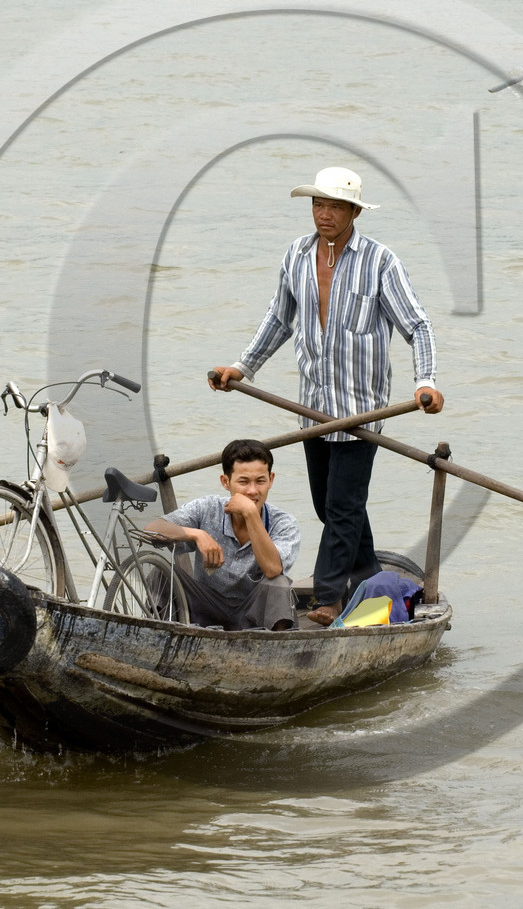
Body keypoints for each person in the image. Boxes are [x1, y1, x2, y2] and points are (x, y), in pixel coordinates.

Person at [208, 167, 443, 627]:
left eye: (335, 206)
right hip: (313, 409)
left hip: (360, 411)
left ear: (355, 211)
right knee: (331, 505)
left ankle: (329, 599)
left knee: (341, 507)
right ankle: (373, 579)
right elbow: (279, 318)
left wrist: (426, 381)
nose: (325, 214)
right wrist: (242, 367)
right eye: (318, 204)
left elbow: (416, 325)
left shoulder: (380, 261)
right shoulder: (296, 255)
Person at [144, 439, 300, 631]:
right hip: (205, 609)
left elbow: (273, 569)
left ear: (271, 480)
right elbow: (153, 529)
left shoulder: (284, 523)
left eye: (260, 481)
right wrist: (197, 534)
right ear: (226, 482)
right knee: (160, 574)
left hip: (253, 616)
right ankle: (160, 639)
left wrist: (251, 514)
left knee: (278, 583)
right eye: (243, 482)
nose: (252, 491)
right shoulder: (207, 508)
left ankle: (276, 651)